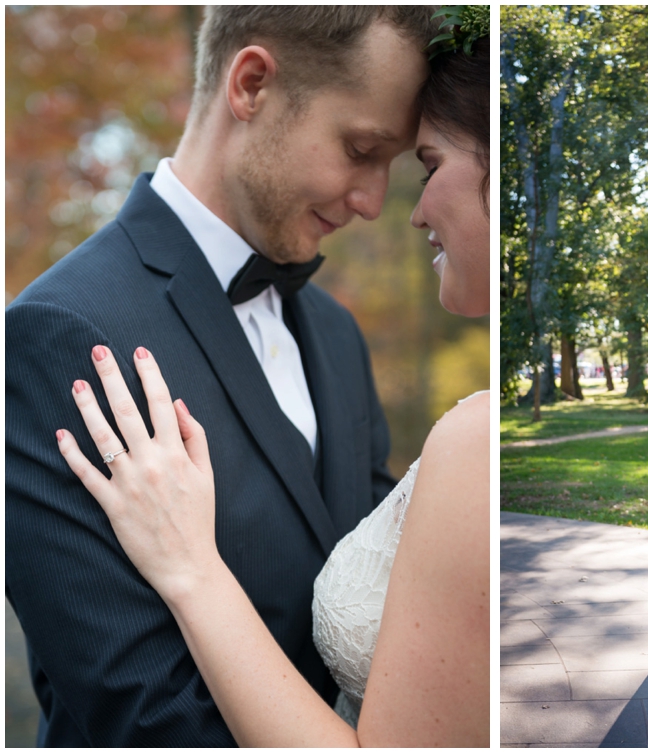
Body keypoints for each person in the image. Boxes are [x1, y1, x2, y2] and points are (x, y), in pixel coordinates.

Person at [53, 6, 489, 748]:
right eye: (360, 149)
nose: (375, 202)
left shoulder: (335, 334)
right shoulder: (65, 329)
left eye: (400, 164)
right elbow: (132, 713)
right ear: (251, 84)